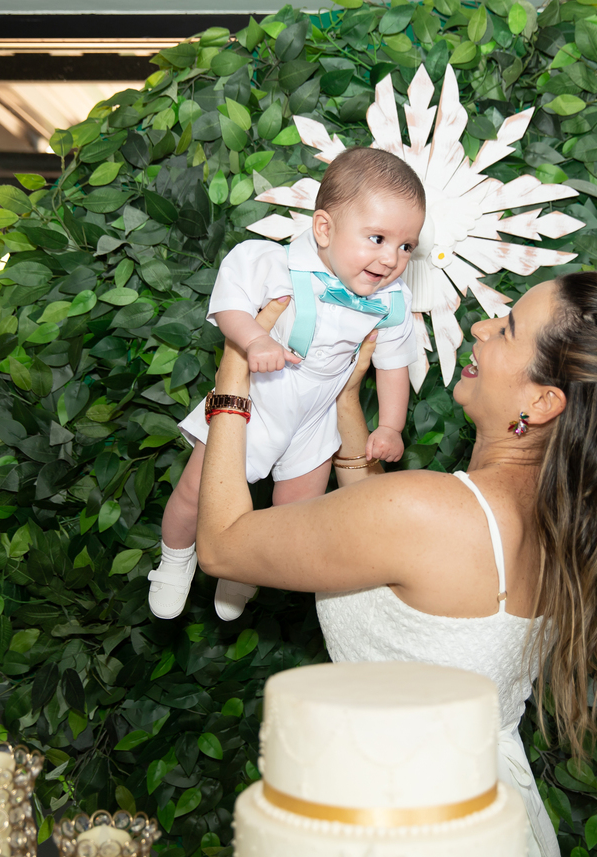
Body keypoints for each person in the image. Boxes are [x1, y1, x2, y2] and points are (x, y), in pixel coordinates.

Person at [196, 271, 597, 857]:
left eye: (508, 328)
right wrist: (344, 400)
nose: (481, 327)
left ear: (542, 402)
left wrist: (232, 381)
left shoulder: (431, 513)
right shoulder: (557, 521)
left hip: (413, 815)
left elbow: (221, 545)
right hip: (485, 802)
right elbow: (380, 536)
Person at [147, 147, 426, 621]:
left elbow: (393, 366)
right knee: (197, 492)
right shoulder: (273, 264)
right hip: (258, 398)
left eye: (406, 247)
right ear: (324, 229)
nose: (391, 258)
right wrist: (255, 339)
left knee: (297, 511)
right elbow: (230, 305)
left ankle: (246, 569)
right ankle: (174, 560)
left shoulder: (392, 301)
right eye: (378, 238)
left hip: (316, 417)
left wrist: (391, 426)